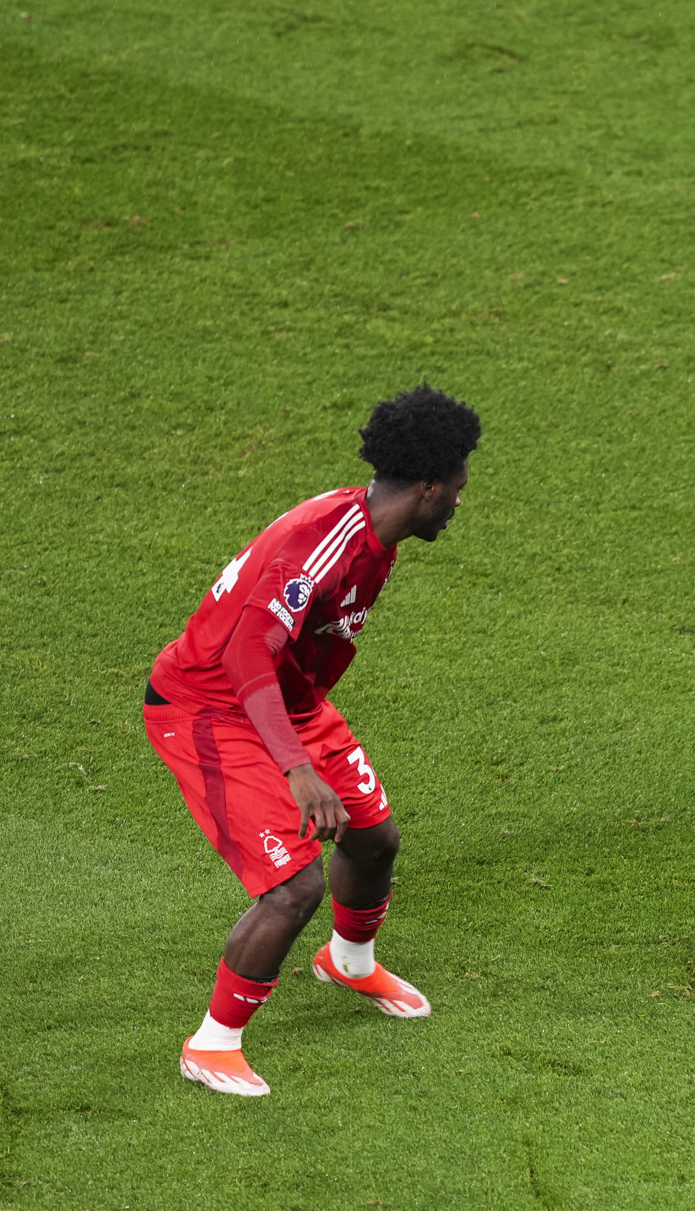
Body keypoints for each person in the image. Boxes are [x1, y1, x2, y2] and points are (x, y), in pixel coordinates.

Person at [142, 385, 480, 1096]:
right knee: (293, 886)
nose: (459, 500)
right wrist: (296, 769)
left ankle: (349, 961)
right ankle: (213, 1042)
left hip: (288, 701)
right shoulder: (324, 545)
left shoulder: (372, 534)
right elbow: (244, 657)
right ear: (426, 487)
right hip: (210, 706)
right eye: (456, 486)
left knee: (374, 837)